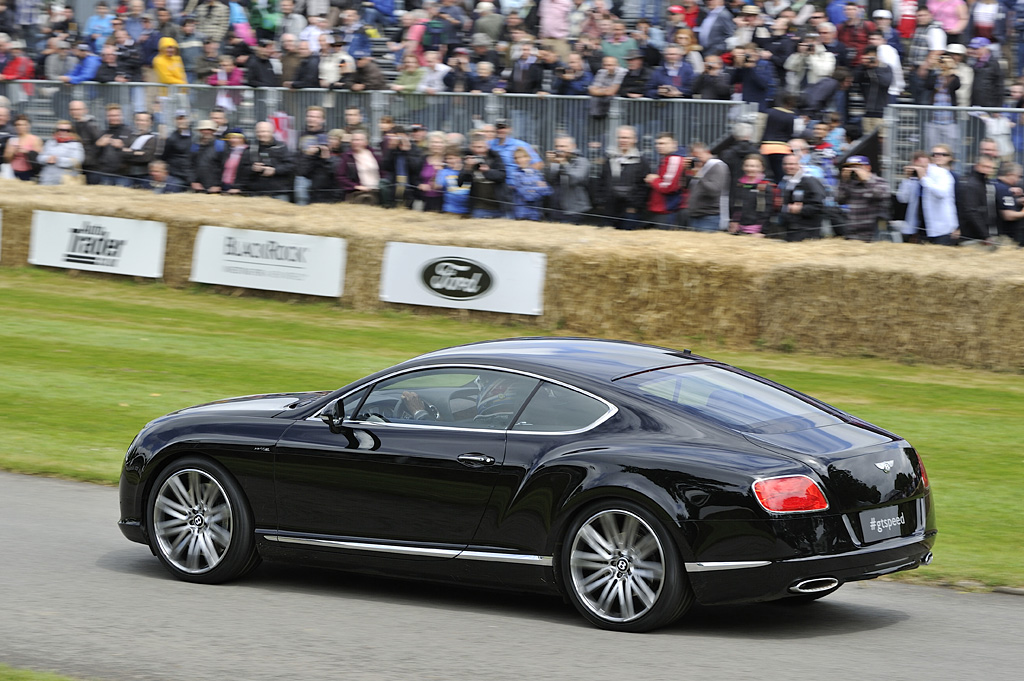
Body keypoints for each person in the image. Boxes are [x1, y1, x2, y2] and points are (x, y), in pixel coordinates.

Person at [600, 125, 649, 230]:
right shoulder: (610, 158)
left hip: (630, 212)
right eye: (621, 137)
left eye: (627, 138)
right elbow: (603, 181)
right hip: (610, 210)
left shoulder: (641, 161)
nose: (623, 140)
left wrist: (635, 207)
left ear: (635, 139)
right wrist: (602, 202)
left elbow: (643, 187)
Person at [836, 156, 889, 241]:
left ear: (868, 168)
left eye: (857, 167)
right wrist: (844, 181)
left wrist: (866, 180)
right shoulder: (850, 183)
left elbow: (881, 195)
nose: (853, 170)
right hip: (852, 234)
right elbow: (840, 200)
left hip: (872, 235)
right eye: (850, 167)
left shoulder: (879, 181)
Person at [778, 153, 826, 241]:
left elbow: (819, 205)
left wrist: (801, 209)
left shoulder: (810, 181)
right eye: (785, 164)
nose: (788, 167)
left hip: (807, 231)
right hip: (792, 228)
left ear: (800, 164)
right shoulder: (787, 181)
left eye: (792, 164)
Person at [544, 135, 591, 223]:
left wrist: (564, 164)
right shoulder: (556, 160)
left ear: (573, 147)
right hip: (554, 209)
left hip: (573, 210)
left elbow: (575, 179)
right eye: (557, 146)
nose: (559, 149)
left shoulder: (582, 161)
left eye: (563, 146)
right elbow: (548, 179)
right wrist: (549, 164)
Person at [685, 140, 730, 232]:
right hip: (695, 215)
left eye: (698, 156)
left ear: (707, 152)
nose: (697, 160)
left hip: (709, 217)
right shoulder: (700, 168)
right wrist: (686, 171)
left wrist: (698, 175)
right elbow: (687, 187)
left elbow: (714, 191)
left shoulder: (717, 166)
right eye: (694, 157)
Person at [644, 131, 687, 229]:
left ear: (674, 144)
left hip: (667, 210)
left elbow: (668, 187)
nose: (659, 146)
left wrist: (653, 180)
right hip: (661, 209)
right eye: (657, 143)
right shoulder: (667, 158)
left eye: (663, 143)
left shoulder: (674, 159)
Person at [729, 154, 779, 236]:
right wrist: (734, 221)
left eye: (754, 166)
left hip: (757, 230)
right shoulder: (739, 184)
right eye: (747, 166)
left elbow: (768, 210)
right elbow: (735, 205)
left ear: (762, 168)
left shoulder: (766, 186)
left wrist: (763, 231)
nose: (750, 169)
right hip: (738, 228)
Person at [460, 131, 506, 219]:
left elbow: (502, 176)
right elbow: (460, 183)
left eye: (480, 147)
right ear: (471, 147)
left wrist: (488, 171)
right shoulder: (469, 159)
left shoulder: (495, 157)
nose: (478, 150)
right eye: (475, 147)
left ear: (487, 146)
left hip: (498, 205)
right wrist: (467, 168)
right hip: (479, 207)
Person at [247, 121, 294, 201]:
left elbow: (290, 165)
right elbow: (243, 167)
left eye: (264, 131)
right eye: (259, 131)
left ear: (272, 132)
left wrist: (275, 170)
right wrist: (253, 167)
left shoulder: (281, 146)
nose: (261, 134)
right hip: (257, 191)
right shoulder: (251, 147)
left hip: (278, 191)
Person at [959, 154, 998, 245]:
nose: (989, 170)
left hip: (980, 233)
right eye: (985, 167)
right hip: (972, 235)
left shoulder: (984, 183)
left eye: (991, 168)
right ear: (977, 166)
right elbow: (972, 211)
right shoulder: (972, 185)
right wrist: (985, 235)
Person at [337, 130, 383, 204]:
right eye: (353, 140)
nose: (355, 142)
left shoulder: (375, 154)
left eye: (359, 140)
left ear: (366, 142)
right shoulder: (347, 157)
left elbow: (383, 172)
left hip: (377, 190)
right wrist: (356, 186)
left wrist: (382, 185)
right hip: (358, 192)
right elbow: (341, 176)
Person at [896, 150, 931, 242]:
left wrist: (924, 178)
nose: (920, 170)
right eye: (917, 167)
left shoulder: (934, 181)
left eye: (923, 167)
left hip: (930, 225)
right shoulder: (911, 181)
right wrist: (907, 178)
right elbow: (902, 199)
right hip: (914, 225)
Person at [94, 104, 133, 186]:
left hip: (123, 175)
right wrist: (98, 145)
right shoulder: (103, 133)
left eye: (116, 115)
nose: (113, 118)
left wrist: (122, 147)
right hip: (105, 174)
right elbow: (95, 155)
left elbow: (134, 153)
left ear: (121, 116)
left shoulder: (129, 132)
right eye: (110, 115)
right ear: (107, 117)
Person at [509, 147, 552, 221]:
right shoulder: (515, 175)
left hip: (536, 214)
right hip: (521, 214)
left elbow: (548, 191)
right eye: (517, 158)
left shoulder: (537, 173)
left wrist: (531, 189)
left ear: (529, 158)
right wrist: (539, 188)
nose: (521, 160)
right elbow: (528, 196)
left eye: (523, 157)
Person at [121, 111, 158, 189]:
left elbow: (146, 157)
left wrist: (130, 151)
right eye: (138, 120)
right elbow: (122, 154)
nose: (141, 123)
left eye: (144, 120)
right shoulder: (129, 136)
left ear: (150, 123)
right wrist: (137, 153)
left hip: (144, 175)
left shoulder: (153, 139)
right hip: (128, 175)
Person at [189, 119, 225, 194]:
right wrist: (193, 181)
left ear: (214, 131)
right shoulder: (194, 146)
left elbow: (225, 166)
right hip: (198, 187)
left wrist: (219, 185)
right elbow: (189, 165)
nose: (206, 132)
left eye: (209, 129)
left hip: (215, 188)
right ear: (199, 131)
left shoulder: (220, 145)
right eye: (203, 129)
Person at [3, 114, 41, 181]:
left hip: (29, 172)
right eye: (17, 125)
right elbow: (6, 159)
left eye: (23, 125)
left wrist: (27, 152)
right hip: (13, 172)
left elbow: (39, 158)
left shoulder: (35, 139)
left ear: (28, 126)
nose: (20, 127)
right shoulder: (12, 140)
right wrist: (12, 153)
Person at [994, 161, 1024, 245]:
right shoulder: (1004, 189)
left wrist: (1018, 201)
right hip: (1005, 236)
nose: (1018, 180)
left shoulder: (995, 184)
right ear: (1010, 174)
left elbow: (1000, 204)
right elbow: (1008, 215)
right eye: (1018, 176)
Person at [437, 146, 471, 216]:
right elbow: (438, 185)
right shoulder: (444, 172)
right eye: (447, 159)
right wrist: (437, 172)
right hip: (450, 209)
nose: (449, 161)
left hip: (467, 210)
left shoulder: (467, 171)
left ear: (460, 158)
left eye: (451, 158)